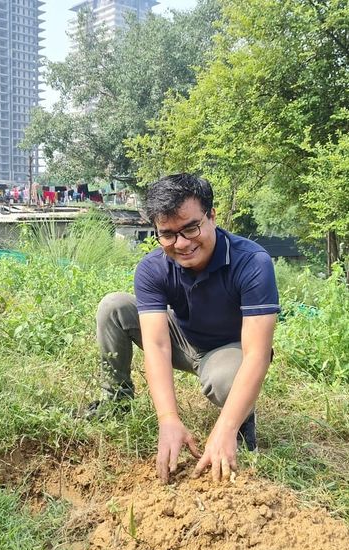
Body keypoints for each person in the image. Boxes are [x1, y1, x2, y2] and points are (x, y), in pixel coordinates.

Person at [93, 173, 280, 483]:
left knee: (228, 379)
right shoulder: (153, 268)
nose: (181, 244)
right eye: (167, 234)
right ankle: (115, 403)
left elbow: (257, 353)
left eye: (191, 228)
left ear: (212, 217)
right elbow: (156, 344)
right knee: (114, 306)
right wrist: (168, 420)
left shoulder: (252, 262)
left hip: (226, 350)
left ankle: (240, 421)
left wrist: (224, 429)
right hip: (180, 337)